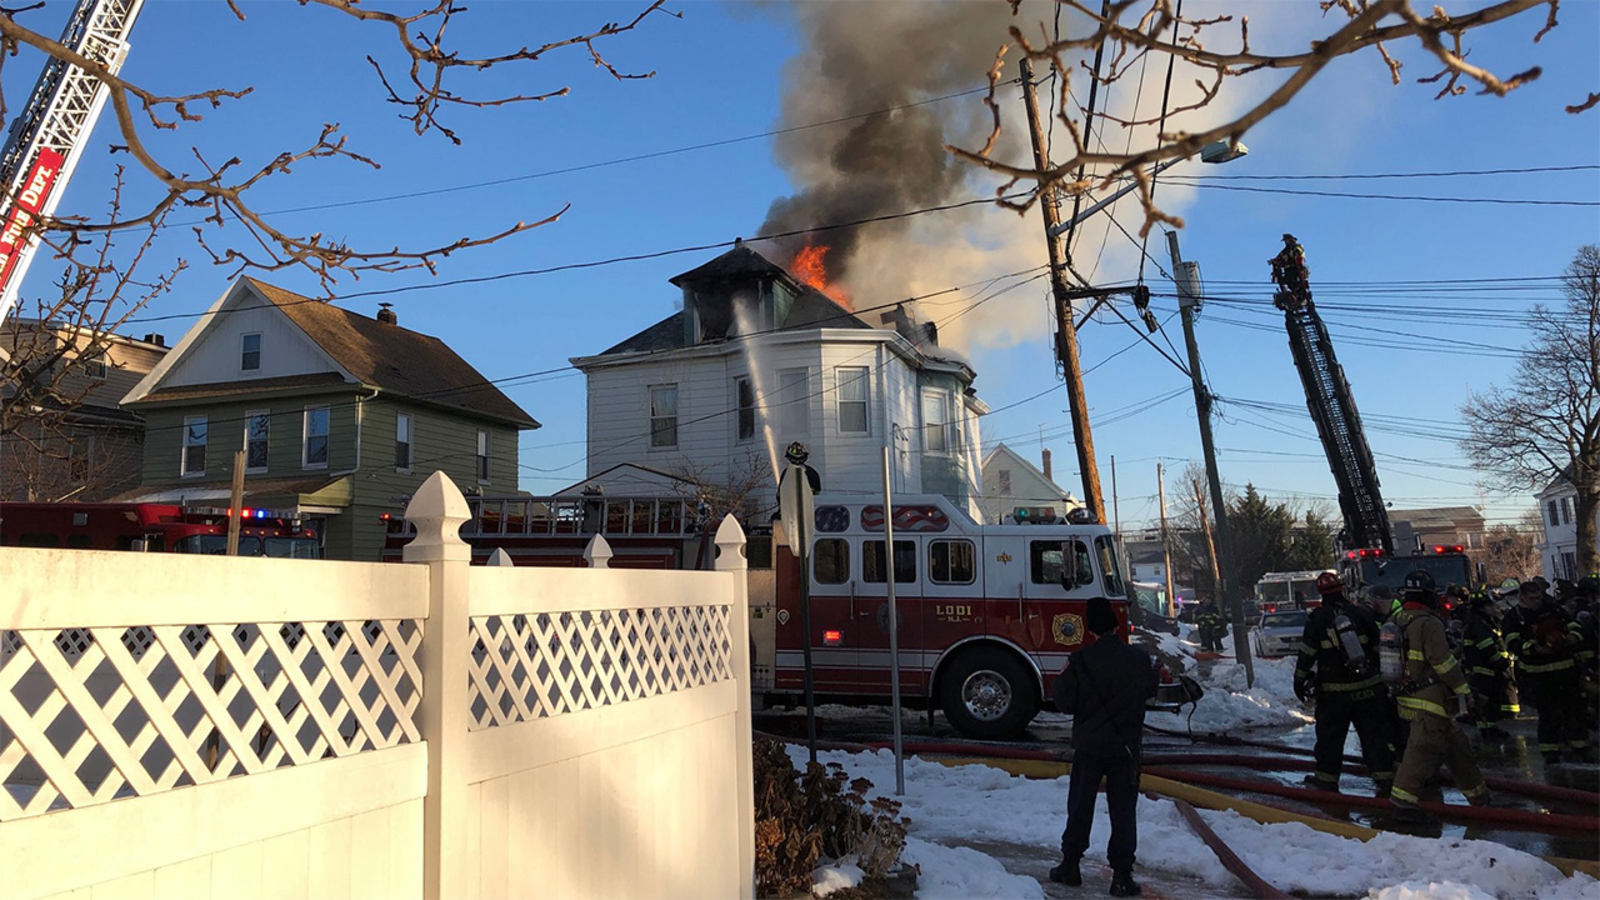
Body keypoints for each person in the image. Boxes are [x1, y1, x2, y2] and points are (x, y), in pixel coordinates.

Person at [1051, 597, 1160, 896]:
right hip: (1125, 749)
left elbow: (1064, 702)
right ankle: (1122, 877)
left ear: (1090, 628)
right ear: (1115, 625)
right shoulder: (1138, 658)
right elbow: (1151, 690)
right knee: (1123, 811)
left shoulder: (1080, 659)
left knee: (1080, 806)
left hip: (1089, 747)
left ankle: (1070, 866)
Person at [1389, 571, 1489, 822]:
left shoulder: (1398, 619)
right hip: (1429, 699)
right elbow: (1443, 663)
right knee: (1421, 752)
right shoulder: (1429, 623)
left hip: (1409, 694)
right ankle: (1402, 805)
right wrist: (1463, 689)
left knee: (1457, 747)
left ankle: (1480, 799)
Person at [1293, 572, 1395, 796]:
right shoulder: (1361, 613)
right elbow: (1379, 649)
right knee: (1375, 738)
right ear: (1342, 589)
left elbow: (1307, 654)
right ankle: (1386, 780)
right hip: (1369, 690)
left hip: (1334, 696)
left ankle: (1326, 782)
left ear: (1321, 594)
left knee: (1330, 741)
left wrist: (1299, 681)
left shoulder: (1317, 619)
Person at [1503, 579, 1591, 765]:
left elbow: (1573, 625)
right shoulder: (1514, 617)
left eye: (1539, 597)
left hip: (1566, 671)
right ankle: (1550, 753)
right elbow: (1512, 643)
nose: (1537, 601)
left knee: (1574, 712)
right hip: (1538, 676)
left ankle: (1581, 748)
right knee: (1549, 715)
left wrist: (1573, 637)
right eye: (1532, 598)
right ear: (1522, 597)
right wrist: (1535, 649)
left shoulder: (1553, 609)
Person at [1458, 589, 1519, 739]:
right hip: (1484, 669)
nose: (1493, 608)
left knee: (1486, 701)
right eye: (1491, 605)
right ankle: (1488, 730)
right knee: (1487, 700)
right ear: (1484, 607)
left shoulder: (1482, 621)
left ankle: (1487, 728)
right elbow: (1486, 645)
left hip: (1486, 668)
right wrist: (1499, 661)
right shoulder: (1478, 623)